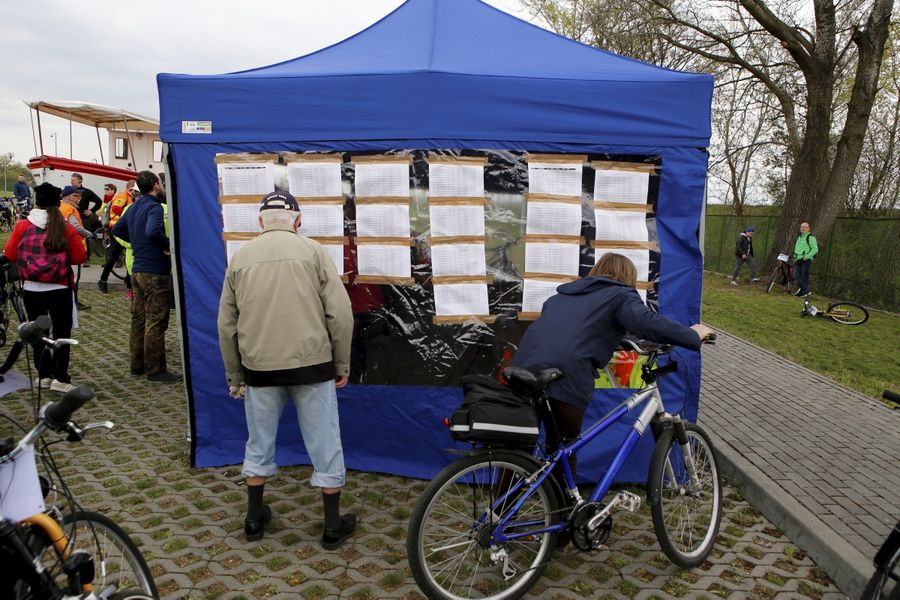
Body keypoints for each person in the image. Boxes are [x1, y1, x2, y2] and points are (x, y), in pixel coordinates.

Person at [217, 191, 356, 548]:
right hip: (312, 366)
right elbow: (340, 314)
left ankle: (253, 520)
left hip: (259, 368)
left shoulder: (241, 258)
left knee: (258, 443)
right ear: (298, 219)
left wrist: (236, 375)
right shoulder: (314, 252)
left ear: (260, 220)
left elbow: (226, 324)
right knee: (325, 444)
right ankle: (330, 525)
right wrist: (341, 363)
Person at [512, 253, 713, 485]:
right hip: (566, 375)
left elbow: (576, 331)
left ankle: (501, 512)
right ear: (627, 277)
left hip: (524, 370)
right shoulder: (620, 295)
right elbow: (646, 322)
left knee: (522, 447)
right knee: (566, 448)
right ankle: (564, 512)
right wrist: (692, 335)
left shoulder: (562, 296)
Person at [3, 182, 86, 393]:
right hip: (59, 287)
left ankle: (43, 374)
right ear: (58, 203)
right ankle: (60, 377)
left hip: (32, 288)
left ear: (36, 202)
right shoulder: (64, 227)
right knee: (61, 333)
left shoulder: (23, 226)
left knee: (38, 333)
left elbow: (11, 254)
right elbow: (79, 256)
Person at [111, 171, 181, 383]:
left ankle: (137, 365)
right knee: (156, 322)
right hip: (155, 272)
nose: (162, 185)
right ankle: (156, 370)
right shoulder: (154, 207)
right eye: (160, 182)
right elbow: (153, 231)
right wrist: (165, 245)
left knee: (138, 319)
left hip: (137, 271)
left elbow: (117, 230)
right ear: (155, 185)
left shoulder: (133, 207)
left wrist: (136, 243)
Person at [98, 181, 135, 298]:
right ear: (131, 189)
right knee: (114, 257)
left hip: (124, 229)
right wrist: (130, 215)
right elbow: (115, 208)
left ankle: (129, 285)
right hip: (117, 230)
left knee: (128, 257)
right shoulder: (123, 196)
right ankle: (103, 281)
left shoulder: (130, 197)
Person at [59, 186, 93, 310]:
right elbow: (75, 227)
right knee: (74, 277)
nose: (79, 199)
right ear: (68, 196)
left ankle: (69, 300)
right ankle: (74, 302)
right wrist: (89, 234)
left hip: (63, 245)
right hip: (74, 246)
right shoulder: (69, 208)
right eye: (77, 196)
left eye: (80, 196)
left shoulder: (60, 207)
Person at [792, 222, 818, 297]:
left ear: (808, 229)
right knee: (796, 276)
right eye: (801, 227)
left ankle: (805, 291)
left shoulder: (810, 237)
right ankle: (804, 291)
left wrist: (807, 256)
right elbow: (797, 249)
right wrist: (795, 258)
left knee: (803, 276)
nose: (802, 228)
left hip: (806, 260)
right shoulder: (799, 237)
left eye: (805, 227)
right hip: (798, 260)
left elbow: (815, 249)